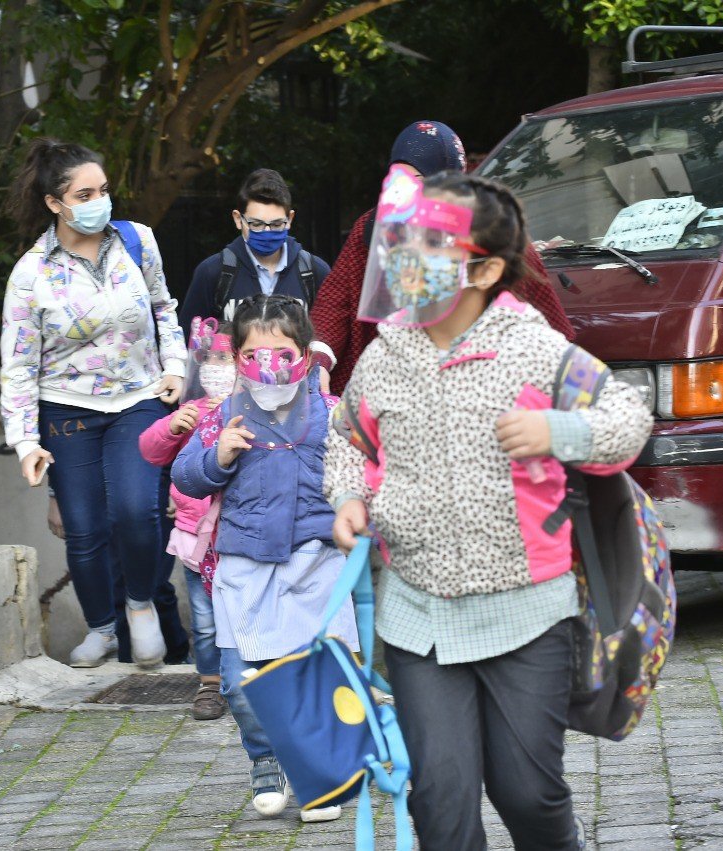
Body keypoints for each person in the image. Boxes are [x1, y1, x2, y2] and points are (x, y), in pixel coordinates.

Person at [325, 170, 653, 849]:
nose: (406, 257)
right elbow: (346, 438)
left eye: (430, 243)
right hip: (417, 618)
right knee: (441, 807)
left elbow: (629, 417)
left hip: (529, 612)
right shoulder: (383, 356)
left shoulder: (535, 348)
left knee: (527, 793)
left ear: (485, 269)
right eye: (402, 240)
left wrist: (560, 433)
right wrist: (349, 496)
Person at [0, 138, 188, 669]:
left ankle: (141, 605)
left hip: (139, 399)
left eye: (102, 190)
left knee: (137, 511)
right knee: (84, 530)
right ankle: (102, 629)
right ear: (54, 203)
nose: (99, 201)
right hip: (65, 410)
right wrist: (24, 441)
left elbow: (163, 308)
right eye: (84, 193)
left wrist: (175, 367)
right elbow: (18, 365)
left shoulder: (137, 242)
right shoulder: (31, 274)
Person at [172, 294, 356, 824]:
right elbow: (184, 478)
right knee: (240, 681)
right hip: (244, 565)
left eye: (280, 353)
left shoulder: (332, 409)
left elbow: (368, 471)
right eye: (253, 355)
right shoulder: (223, 412)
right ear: (237, 359)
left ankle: (319, 780)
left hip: (317, 566)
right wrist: (218, 456)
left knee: (317, 678)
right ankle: (266, 760)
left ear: (304, 352)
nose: (267, 365)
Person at [310, 119, 575, 395]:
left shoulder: (523, 332)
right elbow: (335, 301)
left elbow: (590, 397)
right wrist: (320, 361)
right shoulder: (386, 352)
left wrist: (549, 425)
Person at [138, 318, 237, 720]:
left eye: (226, 358)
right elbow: (150, 450)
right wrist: (170, 426)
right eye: (209, 357)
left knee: (241, 614)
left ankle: (248, 683)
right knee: (205, 618)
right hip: (196, 538)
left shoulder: (255, 409)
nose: (216, 366)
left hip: (237, 536)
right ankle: (210, 685)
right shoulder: (190, 411)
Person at [178, 169, 331, 331]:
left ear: (290, 219)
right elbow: (190, 341)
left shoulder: (314, 272)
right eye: (256, 224)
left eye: (276, 224)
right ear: (238, 219)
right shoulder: (213, 272)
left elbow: (326, 341)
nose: (266, 231)